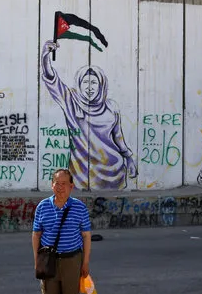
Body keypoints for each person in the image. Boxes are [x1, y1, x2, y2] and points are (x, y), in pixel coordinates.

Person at [41, 40, 137, 190]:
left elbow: (118, 138)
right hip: (82, 175)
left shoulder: (111, 107)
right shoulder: (71, 102)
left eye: (94, 83)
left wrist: (129, 158)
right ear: (79, 84)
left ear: (101, 86)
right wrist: (45, 57)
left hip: (114, 173)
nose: (90, 88)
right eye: (86, 82)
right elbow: (52, 81)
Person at [32, 168, 92, 294]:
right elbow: (36, 235)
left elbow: (86, 236)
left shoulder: (79, 208)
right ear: (52, 185)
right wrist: (36, 260)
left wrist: (85, 262)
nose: (60, 187)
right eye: (56, 183)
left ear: (71, 186)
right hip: (49, 262)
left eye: (64, 184)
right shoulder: (42, 206)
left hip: (72, 261)